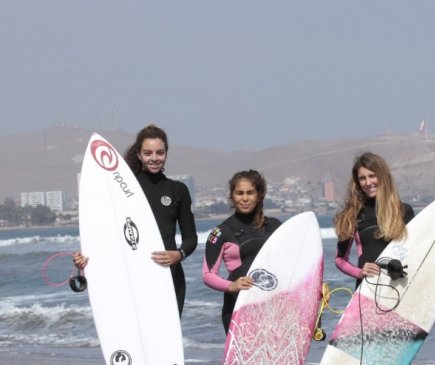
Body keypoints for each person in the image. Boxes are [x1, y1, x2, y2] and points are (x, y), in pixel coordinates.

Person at [74, 124, 198, 316]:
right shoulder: (122, 189)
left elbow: (191, 238)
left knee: (166, 342)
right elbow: (105, 234)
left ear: (166, 154)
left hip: (169, 276)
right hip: (132, 276)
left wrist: (178, 254)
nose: (154, 158)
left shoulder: (178, 190)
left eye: (160, 153)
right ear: (139, 155)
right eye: (148, 153)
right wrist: (86, 257)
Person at [334, 152, 435, 308]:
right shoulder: (352, 215)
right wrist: (359, 272)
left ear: (383, 176)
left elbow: (419, 255)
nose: (368, 182)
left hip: (400, 288)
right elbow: (340, 260)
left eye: (372, 176)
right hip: (368, 291)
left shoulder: (403, 211)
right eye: (362, 178)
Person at [202, 169, 281, 332]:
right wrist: (232, 286)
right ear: (232, 196)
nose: (244, 198)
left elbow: (293, 263)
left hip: (273, 307)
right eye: (239, 193)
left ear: (259, 195)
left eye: (250, 193)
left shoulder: (276, 227)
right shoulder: (221, 232)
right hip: (238, 307)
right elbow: (208, 275)